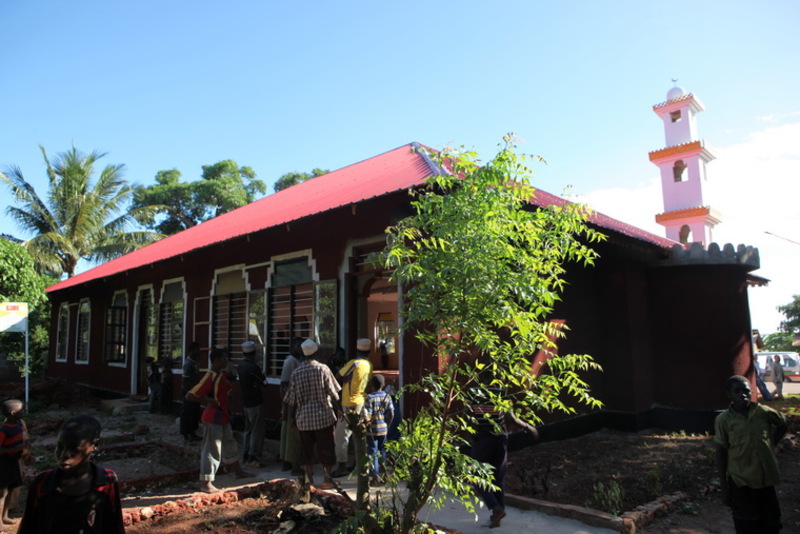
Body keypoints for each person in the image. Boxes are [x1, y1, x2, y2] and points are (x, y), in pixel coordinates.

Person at [17, 414, 124, 534]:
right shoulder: (43, 484)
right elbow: (28, 526)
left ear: (95, 446)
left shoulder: (106, 480)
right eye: (60, 447)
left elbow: (114, 525)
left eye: (74, 449)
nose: (64, 455)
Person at [715, 375, 787, 533]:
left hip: (765, 479)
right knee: (747, 524)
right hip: (741, 481)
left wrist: (771, 443)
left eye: (746, 391)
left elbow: (782, 423)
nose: (743, 395)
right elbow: (721, 452)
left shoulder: (762, 412)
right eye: (737, 391)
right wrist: (724, 488)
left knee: (771, 524)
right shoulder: (724, 420)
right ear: (729, 395)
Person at [468, 385, 539, 529]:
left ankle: (496, 508)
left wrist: (471, 432)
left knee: (476, 475)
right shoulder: (501, 392)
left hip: (484, 437)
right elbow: (511, 417)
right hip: (501, 437)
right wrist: (528, 426)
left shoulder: (473, 392)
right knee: (498, 478)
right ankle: (497, 518)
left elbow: (466, 414)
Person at [186, 348, 253, 493]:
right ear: (216, 360)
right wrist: (208, 401)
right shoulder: (210, 377)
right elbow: (190, 395)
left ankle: (238, 471)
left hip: (223, 416)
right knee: (212, 448)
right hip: (213, 416)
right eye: (223, 358)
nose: (226, 361)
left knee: (230, 444)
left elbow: (227, 392)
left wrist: (229, 409)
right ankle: (206, 482)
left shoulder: (221, 375)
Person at [284, 338, 342, 489]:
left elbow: (291, 399)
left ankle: (309, 478)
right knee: (326, 447)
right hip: (324, 416)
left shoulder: (296, 372)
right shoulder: (323, 369)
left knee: (307, 449)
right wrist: (340, 410)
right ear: (316, 353)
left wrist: (290, 417)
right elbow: (334, 394)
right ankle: (327, 477)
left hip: (303, 418)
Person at [332, 337, 373, 477]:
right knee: (359, 434)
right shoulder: (368, 365)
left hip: (348, 403)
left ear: (356, 350)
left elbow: (336, 376)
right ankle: (357, 464)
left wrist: (343, 380)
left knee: (341, 436)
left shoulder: (354, 363)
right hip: (361, 401)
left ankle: (342, 466)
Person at [238, 340, 267, 468]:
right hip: (255, 401)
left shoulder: (241, 365)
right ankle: (253, 456)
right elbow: (264, 382)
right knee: (257, 429)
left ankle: (245, 454)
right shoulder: (253, 367)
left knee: (248, 429)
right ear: (254, 353)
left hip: (246, 401)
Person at [0, 399, 27, 526]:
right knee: (2, 492)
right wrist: (16, 449)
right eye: (22, 410)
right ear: (12, 413)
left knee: (12, 488)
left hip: (15, 462)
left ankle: (5, 516)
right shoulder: (3, 430)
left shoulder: (19, 425)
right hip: (5, 463)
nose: (24, 411)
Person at [364, 374, 395, 486]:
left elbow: (368, 415)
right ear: (383, 385)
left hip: (372, 430)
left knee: (373, 452)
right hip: (383, 429)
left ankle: (374, 477)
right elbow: (391, 413)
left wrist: (366, 423)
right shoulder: (387, 397)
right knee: (382, 452)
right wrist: (387, 425)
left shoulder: (369, 398)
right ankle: (385, 474)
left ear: (371, 385)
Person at [279, 337, 305, 474]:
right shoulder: (290, 362)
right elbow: (284, 385)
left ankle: (286, 461)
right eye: (299, 346)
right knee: (292, 435)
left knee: (288, 434)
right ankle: (292, 464)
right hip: (291, 404)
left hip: (292, 403)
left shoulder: (297, 361)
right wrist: (285, 406)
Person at [180, 341, 202, 441]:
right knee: (187, 412)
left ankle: (192, 432)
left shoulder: (195, 362)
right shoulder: (188, 364)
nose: (199, 351)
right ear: (193, 350)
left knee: (194, 412)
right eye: (197, 349)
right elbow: (185, 380)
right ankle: (185, 433)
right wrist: (189, 392)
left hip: (195, 391)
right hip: (189, 391)